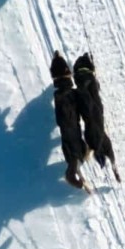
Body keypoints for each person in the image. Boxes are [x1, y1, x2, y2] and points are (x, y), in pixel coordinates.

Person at [73, 51, 117, 176]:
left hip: (96, 110)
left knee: (92, 96)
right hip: (91, 112)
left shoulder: (104, 140)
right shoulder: (94, 140)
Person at [49, 51, 87, 188]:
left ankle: (75, 162)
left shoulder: (58, 93)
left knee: (69, 138)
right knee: (73, 138)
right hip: (68, 117)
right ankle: (71, 170)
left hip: (65, 119)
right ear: (68, 72)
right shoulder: (70, 92)